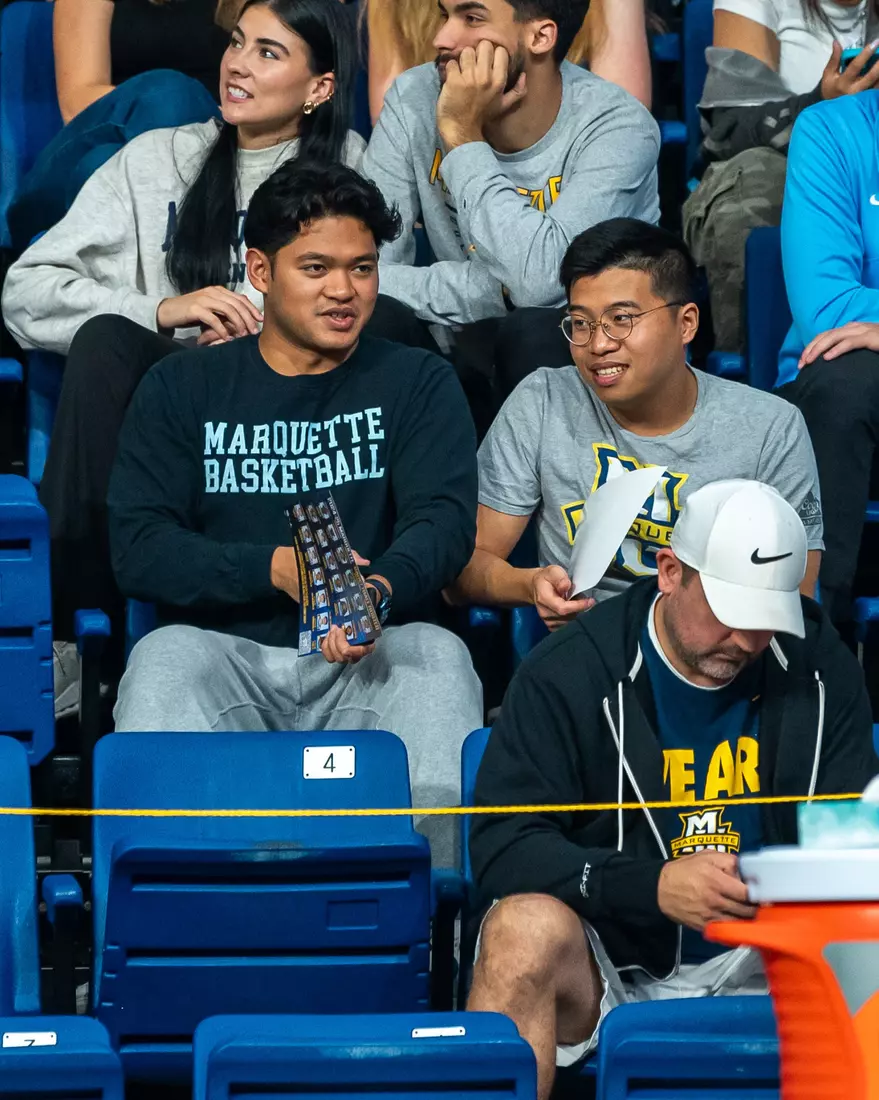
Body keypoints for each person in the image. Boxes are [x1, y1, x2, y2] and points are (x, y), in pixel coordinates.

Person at [107, 159, 482, 868]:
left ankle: (439, 913)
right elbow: (140, 547)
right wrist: (275, 570)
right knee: (163, 657)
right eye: (316, 268)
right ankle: (168, 905)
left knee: (438, 657)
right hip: (229, 660)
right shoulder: (183, 385)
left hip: (367, 663)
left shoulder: (416, 380)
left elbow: (443, 522)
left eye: (362, 268)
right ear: (260, 269)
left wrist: (377, 590)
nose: (344, 290)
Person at [2, 0, 364, 714]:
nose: (237, 65)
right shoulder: (158, 158)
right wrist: (161, 311)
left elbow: (378, 293)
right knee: (106, 341)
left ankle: (360, 606)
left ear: (318, 87)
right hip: (176, 405)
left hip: (302, 403)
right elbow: (24, 290)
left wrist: (270, 333)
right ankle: (76, 635)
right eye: (237, 43)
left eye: (267, 53)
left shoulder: (348, 168)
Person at [468, 479, 876, 1100]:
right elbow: (503, 847)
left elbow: (855, 839)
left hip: (777, 958)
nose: (747, 640)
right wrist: (652, 886)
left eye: (766, 620)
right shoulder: (572, 670)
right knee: (518, 931)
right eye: (730, 612)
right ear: (669, 571)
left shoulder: (819, 666)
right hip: (614, 961)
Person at [446, 219, 824, 633]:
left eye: (621, 319)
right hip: (588, 647)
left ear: (686, 323)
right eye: (581, 323)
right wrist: (530, 585)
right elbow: (461, 569)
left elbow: (796, 598)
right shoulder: (544, 402)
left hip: (719, 645)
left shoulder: (770, 429)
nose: (598, 344)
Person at [361, 0, 660, 407]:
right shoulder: (414, 98)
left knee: (534, 330)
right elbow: (362, 273)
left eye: (472, 19)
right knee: (372, 318)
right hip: (457, 359)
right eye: (445, 15)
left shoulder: (617, 128)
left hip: (581, 362)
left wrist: (462, 136)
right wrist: (498, 291)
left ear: (540, 36)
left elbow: (539, 288)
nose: (441, 38)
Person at [683, 0, 879, 355]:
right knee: (754, 192)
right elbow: (727, 130)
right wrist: (822, 102)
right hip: (773, 155)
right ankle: (746, 363)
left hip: (865, 147)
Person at [6, 0, 245, 250]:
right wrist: (183, 109)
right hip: (102, 136)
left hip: (213, 149)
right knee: (169, 95)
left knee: (95, 167)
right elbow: (78, 100)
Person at [774, 89, 879, 628]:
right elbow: (828, 308)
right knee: (846, 379)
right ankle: (811, 640)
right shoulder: (832, 131)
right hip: (848, 404)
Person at [362, 0, 652, 126]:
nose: (442, 38)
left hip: (563, 142)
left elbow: (623, 111)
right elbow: (393, 112)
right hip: (437, 144)